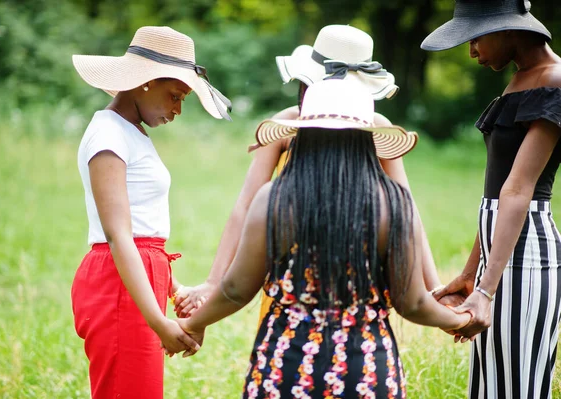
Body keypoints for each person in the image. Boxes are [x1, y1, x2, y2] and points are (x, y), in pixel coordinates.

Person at [176, 79, 472, 398]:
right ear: (366, 138)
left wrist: (191, 325)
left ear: (304, 134)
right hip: (367, 369)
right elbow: (412, 304)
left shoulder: (274, 199)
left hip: (283, 365)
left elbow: (235, 290)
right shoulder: (392, 203)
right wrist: (459, 318)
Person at [174, 24, 444, 324]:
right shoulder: (287, 125)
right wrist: (214, 281)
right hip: (292, 267)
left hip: (353, 267)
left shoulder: (377, 128)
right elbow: (246, 205)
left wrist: (434, 288)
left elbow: (407, 212)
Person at [70, 26, 231, 399]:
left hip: (136, 280)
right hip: (118, 285)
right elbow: (119, 235)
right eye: (174, 96)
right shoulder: (108, 135)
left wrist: (174, 289)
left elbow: (143, 226)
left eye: (183, 100)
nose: (177, 110)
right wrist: (159, 321)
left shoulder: (129, 131)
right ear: (145, 82)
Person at [421, 1, 561, 397]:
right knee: (488, 387)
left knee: (517, 389)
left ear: (507, 29)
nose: (471, 51)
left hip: (526, 256)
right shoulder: (521, 80)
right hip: (500, 257)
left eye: (476, 38)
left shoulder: (555, 81)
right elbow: (497, 197)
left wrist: (486, 290)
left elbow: (519, 190)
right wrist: (471, 274)